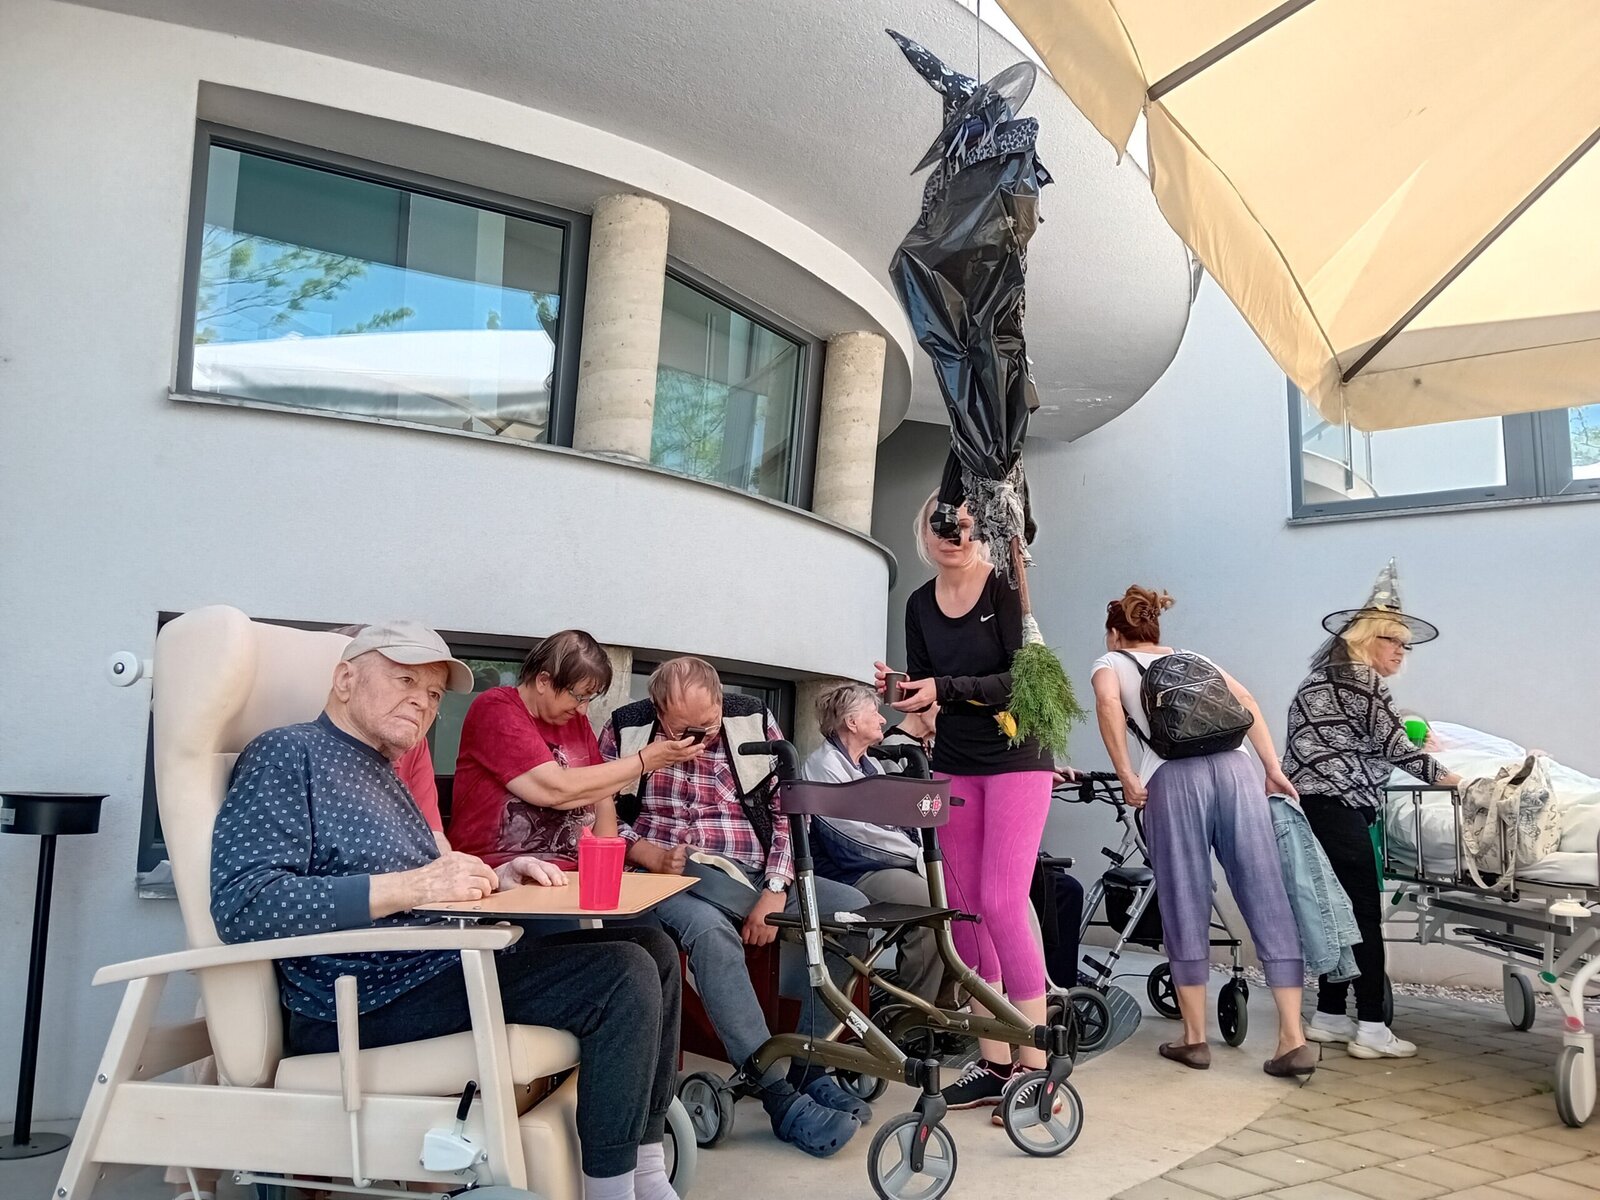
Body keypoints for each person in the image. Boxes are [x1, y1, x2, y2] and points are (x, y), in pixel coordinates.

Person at [209, 620, 683, 1200]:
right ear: (345, 679)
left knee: (653, 948)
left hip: (432, 966)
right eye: (405, 680)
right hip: (361, 999)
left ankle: (646, 1168)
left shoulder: (382, 770)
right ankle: (612, 1192)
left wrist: (495, 877)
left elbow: (426, 881)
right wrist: (413, 886)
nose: (423, 702)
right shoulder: (286, 754)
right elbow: (245, 905)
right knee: (622, 975)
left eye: (433, 693)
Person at [598, 658, 868, 1159]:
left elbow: (791, 809)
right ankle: (777, 1092)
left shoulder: (751, 718)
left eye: (709, 723)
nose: (700, 737)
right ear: (659, 710)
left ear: (721, 702)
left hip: (754, 872)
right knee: (710, 934)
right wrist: (646, 853)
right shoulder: (626, 729)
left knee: (852, 914)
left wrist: (776, 887)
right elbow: (598, 810)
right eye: (685, 730)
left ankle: (808, 1064)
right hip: (669, 879)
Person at [873, 493, 1057, 1113]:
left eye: (964, 524)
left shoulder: (1006, 587)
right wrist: (906, 692)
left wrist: (944, 688)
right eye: (940, 524)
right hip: (954, 762)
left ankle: (1038, 1068)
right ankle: (996, 1063)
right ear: (923, 533)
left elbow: (1022, 679)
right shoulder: (918, 604)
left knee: (1003, 902)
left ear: (981, 532)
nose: (952, 534)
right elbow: (930, 696)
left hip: (1017, 759)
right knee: (967, 912)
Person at [1090, 586, 1315, 1080]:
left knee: (1184, 895)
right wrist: (1271, 768)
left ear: (1115, 633)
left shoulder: (1110, 663)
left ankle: (1194, 1038)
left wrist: (1126, 773)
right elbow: (1246, 700)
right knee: (1264, 889)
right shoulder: (1194, 658)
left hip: (1174, 777)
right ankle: (1292, 1038)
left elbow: (1108, 704)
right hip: (1237, 770)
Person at [1283, 560, 1462, 1060]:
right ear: (1365, 639)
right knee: (1362, 915)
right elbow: (1395, 746)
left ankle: (1329, 1015)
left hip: (1310, 810)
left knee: (1336, 912)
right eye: (1393, 641)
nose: (1402, 652)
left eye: (1405, 645)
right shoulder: (1362, 680)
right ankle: (1372, 1028)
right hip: (1339, 809)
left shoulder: (1317, 680)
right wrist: (1454, 781)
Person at [448, 629, 702, 868]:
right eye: (579, 696)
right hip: (503, 874)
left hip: (572, 876)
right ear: (543, 681)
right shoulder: (496, 708)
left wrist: (606, 869)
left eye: (590, 698)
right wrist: (644, 761)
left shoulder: (574, 721)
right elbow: (553, 789)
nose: (583, 709)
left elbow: (601, 796)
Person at [801, 682, 944, 1003]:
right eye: (874, 713)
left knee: (953, 894)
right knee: (928, 903)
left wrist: (921, 856)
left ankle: (944, 1004)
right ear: (851, 722)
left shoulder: (870, 764)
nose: (882, 720)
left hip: (882, 864)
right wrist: (916, 857)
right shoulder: (823, 765)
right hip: (847, 872)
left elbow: (895, 822)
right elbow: (849, 838)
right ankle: (912, 1013)